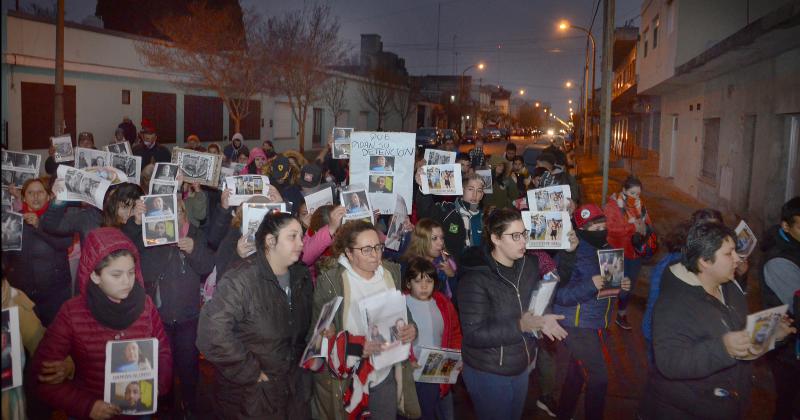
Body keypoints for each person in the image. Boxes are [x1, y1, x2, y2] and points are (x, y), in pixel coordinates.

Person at [639, 222, 794, 419]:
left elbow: (742, 337)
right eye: (729, 254)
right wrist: (724, 348)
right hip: (682, 411)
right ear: (705, 260)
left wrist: (772, 334)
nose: (738, 259)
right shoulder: (673, 305)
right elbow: (670, 363)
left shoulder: (730, 287)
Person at [30, 228, 172, 420]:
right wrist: (86, 406)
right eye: (116, 275)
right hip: (91, 411)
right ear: (95, 276)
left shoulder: (145, 304)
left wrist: (158, 385)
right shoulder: (72, 312)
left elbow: (162, 350)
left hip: (138, 412)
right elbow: (41, 376)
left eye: (131, 272)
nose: (127, 282)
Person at [197, 212, 313, 419]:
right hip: (251, 397)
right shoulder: (241, 280)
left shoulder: (301, 276)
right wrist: (251, 372)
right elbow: (211, 335)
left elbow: (299, 333)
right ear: (270, 241)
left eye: (302, 237)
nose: (301, 243)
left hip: (292, 391)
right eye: (292, 236)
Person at [457, 208, 567, 420]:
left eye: (524, 234)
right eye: (515, 236)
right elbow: (474, 334)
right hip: (488, 372)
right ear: (496, 238)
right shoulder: (476, 278)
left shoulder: (529, 266)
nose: (523, 241)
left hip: (521, 365)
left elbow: (536, 303)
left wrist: (544, 317)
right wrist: (520, 326)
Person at [312, 221, 420, 419]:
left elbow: (405, 315)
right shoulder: (331, 282)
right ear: (349, 253)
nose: (375, 254)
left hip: (385, 374)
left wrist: (412, 329)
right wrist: (356, 347)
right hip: (349, 380)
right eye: (366, 249)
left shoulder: (390, 273)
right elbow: (317, 340)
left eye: (378, 247)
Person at [552, 204, 632, 420]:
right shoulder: (570, 252)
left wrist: (623, 288)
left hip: (599, 323)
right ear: (579, 229)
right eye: (592, 226)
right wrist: (590, 285)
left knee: (577, 375)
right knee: (599, 378)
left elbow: (613, 294)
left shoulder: (608, 248)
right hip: (577, 326)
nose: (599, 229)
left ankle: (563, 414)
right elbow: (557, 296)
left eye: (601, 224)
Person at [642, 209, 724, 363]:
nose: (715, 239)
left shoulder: (706, 261)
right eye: (707, 232)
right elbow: (659, 308)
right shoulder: (676, 263)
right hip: (666, 337)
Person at [2, 179, 72, 327]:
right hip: (23, 296)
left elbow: (64, 243)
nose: (35, 196)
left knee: (54, 339)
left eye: (40, 192)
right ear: (23, 197)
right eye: (30, 193)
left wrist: (39, 225)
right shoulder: (13, 220)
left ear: (48, 196)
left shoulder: (58, 218)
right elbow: (6, 257)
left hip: (54, 296)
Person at [403, 257, 462, 420]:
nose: (423, 287)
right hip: (409, 374)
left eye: (428, 282)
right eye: (417, 281)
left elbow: (455, 333)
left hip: (436, 372)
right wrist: (406, 361)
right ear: (408, 283)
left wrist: (456, 357)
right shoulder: (401, 303)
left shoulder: (443, 303)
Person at [760, 196, 800, 420]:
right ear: (786, 226)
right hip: (788, 350)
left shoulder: (794, 246)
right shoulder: (779, 261)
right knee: (789, 405)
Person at [604, 176, 652, 331]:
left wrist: (643, 225)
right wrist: (632, 227)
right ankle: (602, 318)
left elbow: (648, 224)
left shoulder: (640, 205)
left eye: (638, 194)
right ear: (623, 190)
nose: (635, 197)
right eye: (632, 193)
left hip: (634, 254)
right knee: (610, 288)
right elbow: (609, 230)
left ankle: (621, 314)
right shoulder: (611, 206)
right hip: (613, 252)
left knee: (628, 288)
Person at [415, 170, 486, 265]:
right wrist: (423, 189)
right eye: (470, 189)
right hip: (451, 268)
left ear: (482, 195)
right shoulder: (447, 210)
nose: (474, 195)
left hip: (476, 269)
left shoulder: (484, 218)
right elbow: (426, 212)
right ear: (462, 189)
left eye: (479, 191)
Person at [402, 218, 458, 299]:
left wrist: (452, 275)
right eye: (434, 238)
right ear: (421, 241)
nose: (441, 243)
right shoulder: (410, 265)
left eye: (442, 238)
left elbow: (456, 299)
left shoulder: (448, 263)